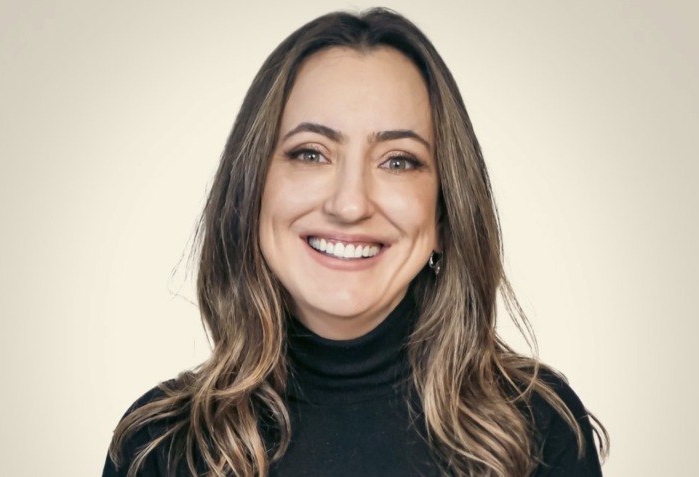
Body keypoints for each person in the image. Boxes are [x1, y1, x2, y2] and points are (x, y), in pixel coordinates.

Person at [103, 8, 608, 477]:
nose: (350, 204)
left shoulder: (536, 431)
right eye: (311, 153)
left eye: (398, 161)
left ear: (443, 213)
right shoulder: (159, 447)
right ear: (252, 191)